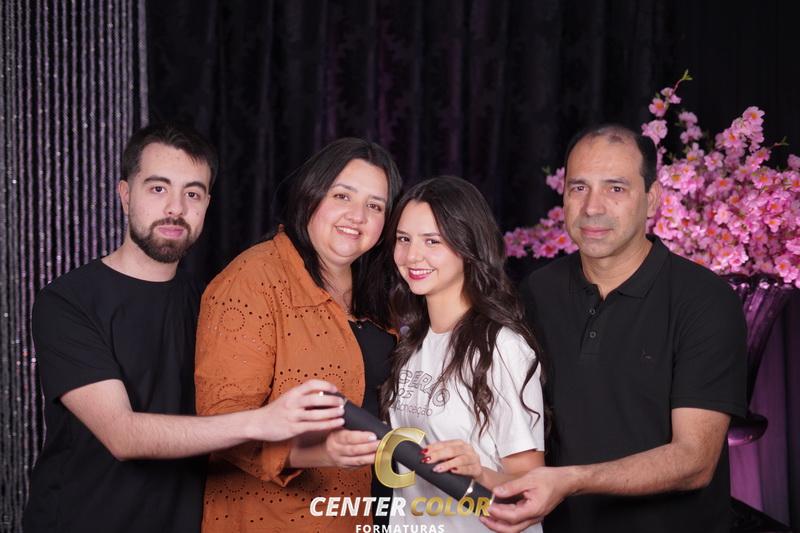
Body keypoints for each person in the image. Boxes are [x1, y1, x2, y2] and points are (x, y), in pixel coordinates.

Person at [23, 123, 347, 533]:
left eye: (192, 193)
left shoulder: (215, 300)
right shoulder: (68, 301)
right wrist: (261, 420)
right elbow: (123, 435)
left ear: (207, 203)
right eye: (158, 188)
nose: (175, 208)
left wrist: (325, 449)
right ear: (125, 194)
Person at [483, 124, 747, 533]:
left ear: (652, 198)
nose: (592, 207)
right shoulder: (538, 290)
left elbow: (695, 459)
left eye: (616, 188)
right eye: (579, 188)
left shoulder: (704, 300)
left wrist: (572, 480)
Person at [194, 137, 403, 531]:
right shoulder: (252, 281)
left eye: (375, 206)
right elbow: (222, 423)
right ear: (311, 194)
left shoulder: (377, 293)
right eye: (342, 196)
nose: (357, 216)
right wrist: (319, 451)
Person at [381, 177, 546, 532]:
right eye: (404, 239)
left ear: (467, 245)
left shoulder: (502, 348)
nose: (412, 256)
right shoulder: (409, 344)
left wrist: (479, 472)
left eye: (432, 241)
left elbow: (531, 488)